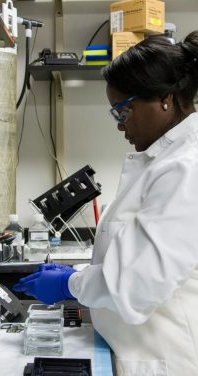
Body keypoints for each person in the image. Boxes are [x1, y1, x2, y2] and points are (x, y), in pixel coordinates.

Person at [13, 30, 198, 375]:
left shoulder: (186, 168)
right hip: (138, 348)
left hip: (166, 358)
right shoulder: (159, 162)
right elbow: (134, 258)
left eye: (122, 111)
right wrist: (80, 276)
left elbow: (135, 285)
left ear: (165, 99)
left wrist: (70, 283)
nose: (119, 126)